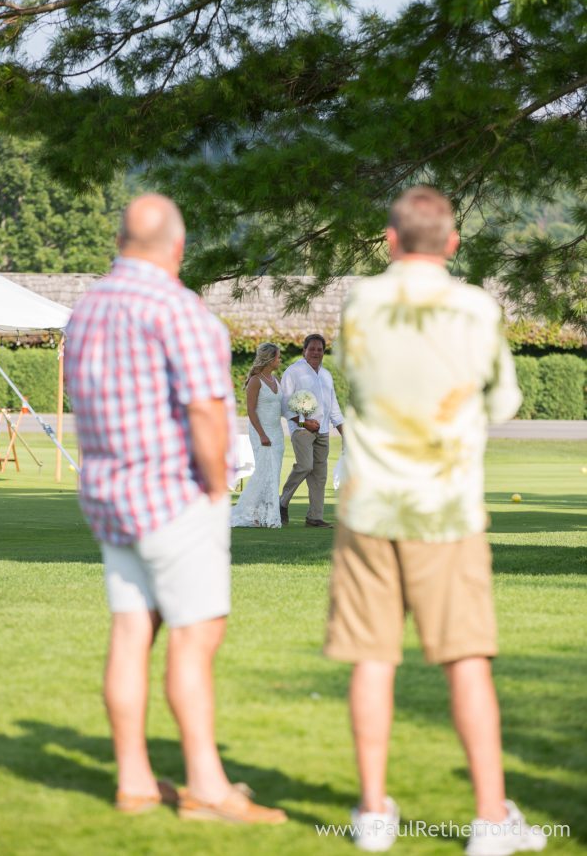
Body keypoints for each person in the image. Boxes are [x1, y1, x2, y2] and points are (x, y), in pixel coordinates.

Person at [325, 186, 546, 854]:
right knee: (465, 660)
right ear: (451, 243)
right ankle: (489, 820)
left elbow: (352, 386)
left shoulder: (361, 302)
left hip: (369, 506)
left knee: (372, 658)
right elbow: (503, 400)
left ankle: (372, 815)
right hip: (447, 510)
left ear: (390, 240)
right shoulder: (476, 308)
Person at [65, 193, 285, 825]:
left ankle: (134, 781)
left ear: (121, 241)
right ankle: (206, 787)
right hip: (174, 497)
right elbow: (204, 412)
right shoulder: (180, 311)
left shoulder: (87, 309)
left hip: (110, 496)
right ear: (178, 248)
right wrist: (218, 488)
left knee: (132, 632)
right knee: (195, 638)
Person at [279, 334, 344, 528]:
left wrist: (343, 431)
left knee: (320, 475)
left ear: (324, 352)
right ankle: (282, 502)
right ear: (304, 351)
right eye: (312, 349)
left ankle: (314, 517)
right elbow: (285, 404)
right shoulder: (293, 372)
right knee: (305, 466)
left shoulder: (326, 375)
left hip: (323, 432)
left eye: (320, 349)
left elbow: (333, 407)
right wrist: (303, 422)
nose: (316, 352)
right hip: (302, 430)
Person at [231, 342, 284, 528]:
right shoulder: (256, 381)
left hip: (277, 435)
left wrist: (304, 422)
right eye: (278, 357)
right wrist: (262, 434)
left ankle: (262, 515)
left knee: (273, 474)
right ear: (269, 359)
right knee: (263, 473)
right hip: (262, 433)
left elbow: (283, 410)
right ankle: (251, 513)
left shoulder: (276, 380)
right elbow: (251, 411)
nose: (280, 360)